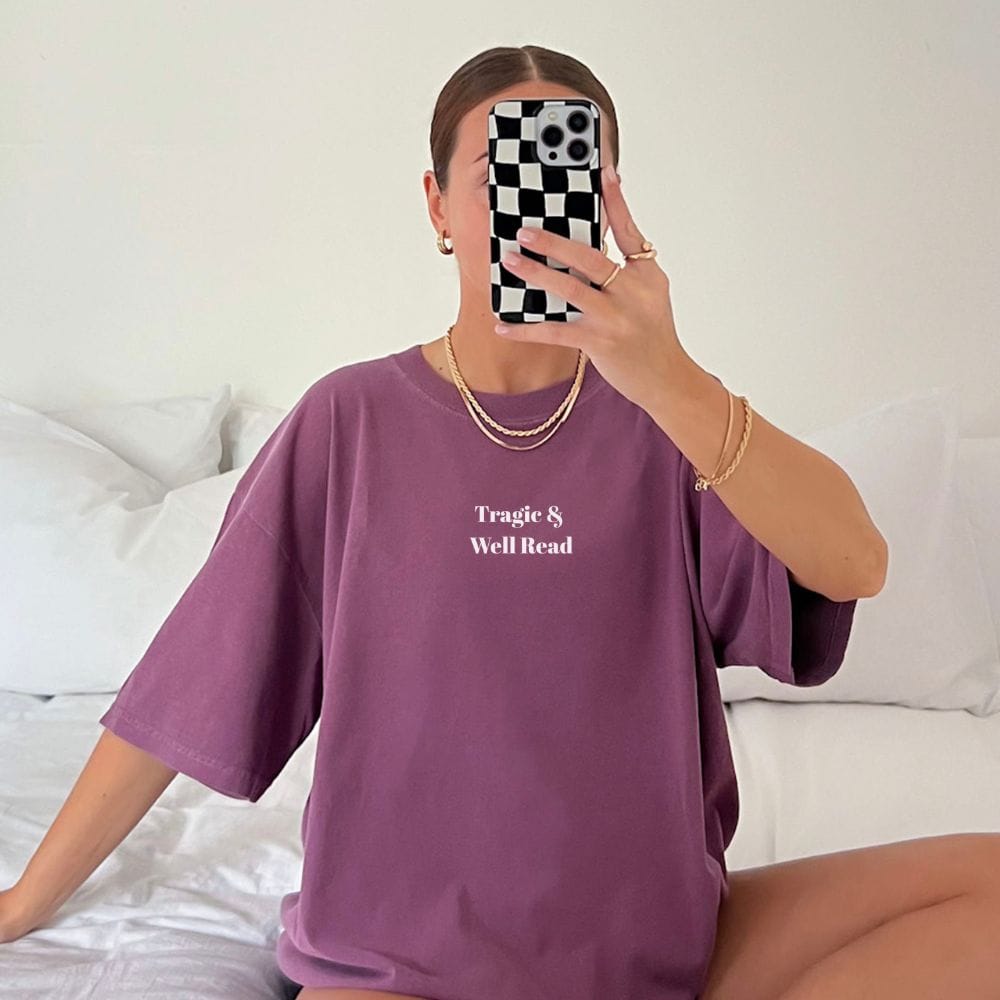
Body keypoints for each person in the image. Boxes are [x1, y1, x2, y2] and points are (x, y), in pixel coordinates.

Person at [4, 43, 998, 1000]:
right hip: (396, 962)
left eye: (566, 168)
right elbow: (183, 688)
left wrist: (672, 377)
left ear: (605, 201)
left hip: (655, 952)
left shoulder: (671, 422)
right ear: (438, 206)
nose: (529, 202)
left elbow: (854, 561)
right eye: (495, 173)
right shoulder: (350, 421)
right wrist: (22, 903)